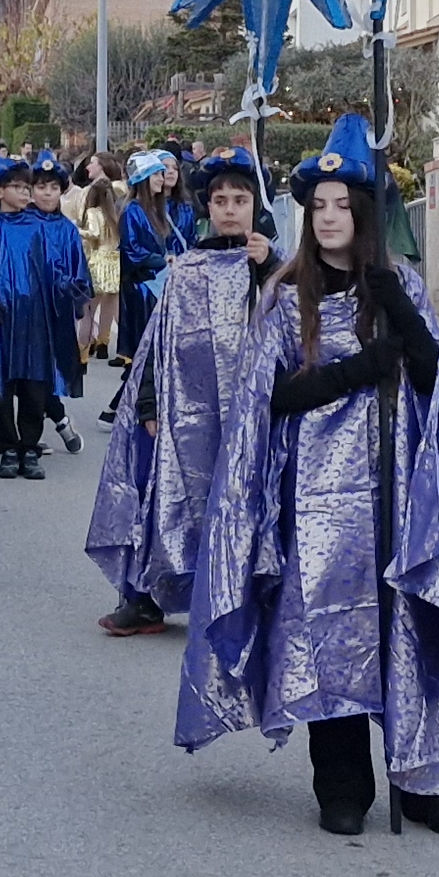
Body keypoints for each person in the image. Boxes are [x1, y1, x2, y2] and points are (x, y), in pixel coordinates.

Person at [180, 116, 439, 839]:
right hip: (318, 500)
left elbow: (435, 373)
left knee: (405, 626)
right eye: (317, 207)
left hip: (397, 497)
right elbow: (271, 397)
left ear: (366, 213)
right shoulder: (289, 295)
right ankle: (341, 783)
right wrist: (356, 371)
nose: (327, 218)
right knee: (329, 633)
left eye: (341, 205)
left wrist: (397, 303)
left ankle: (423, 782)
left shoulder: (399, 283)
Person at [85, 150, 272, 635]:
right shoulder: (188, 269)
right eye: (220, 200)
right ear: (207, 207)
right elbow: (156, 342)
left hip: (256, 416)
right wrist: (148, 402)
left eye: (241, 199)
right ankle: (145, 598)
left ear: (256, 205)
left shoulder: (278, 271)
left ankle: (248, 598)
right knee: (158, 494)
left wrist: (268, 267)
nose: (230, 209)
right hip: (185, 415)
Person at [0, 148, 85, 480]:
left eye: (25, 187)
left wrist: (66, 295)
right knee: (0, 383)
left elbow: (57, 268)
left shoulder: (41, 227)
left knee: (34, 383)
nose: (25, 192)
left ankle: (30, 448)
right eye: (18, 187)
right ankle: (7, 448)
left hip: (36, 318)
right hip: (3, 318)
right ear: (0, 191)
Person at [108, 148, 181, 416]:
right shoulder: (133, 211)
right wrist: (160, 261)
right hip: (141, 289)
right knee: (146, 349)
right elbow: (131, 250)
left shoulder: (156, 211)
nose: (162, 179)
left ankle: (123, 404)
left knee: (152, 349)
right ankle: (124, 404)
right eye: (157, 175)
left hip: (156, 285)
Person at [75, 161, 127, 375]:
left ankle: (83, 353)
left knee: (89, 309)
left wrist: (79, 230)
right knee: (111, 307)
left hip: (98, 260)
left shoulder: (94, 213)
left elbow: (93, 234)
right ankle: (107, 344)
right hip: (116, 260)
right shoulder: (117, 213)